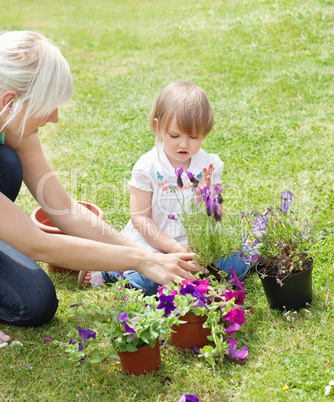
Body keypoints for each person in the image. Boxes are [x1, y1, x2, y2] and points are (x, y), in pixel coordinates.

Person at [0, 32, 206, 345]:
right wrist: (140, 262)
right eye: (48, 106)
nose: (54, 118)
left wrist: (142, 252)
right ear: (10, 101)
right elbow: (37, 245)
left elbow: (64, 210)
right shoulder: (11, 112)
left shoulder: (11, 119)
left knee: (37, 302)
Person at [86, 82, 251, 293]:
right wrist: (173, 248)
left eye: (193, 137)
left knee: (236, 262)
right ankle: (114, 271)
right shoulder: (148, 166)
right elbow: (140, 218)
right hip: (153, 246)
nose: (184, 144)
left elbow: (215, 217)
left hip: (195, 245)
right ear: (157, 127)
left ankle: (194, 277)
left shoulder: (209, 165)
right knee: (151, 281)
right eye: (175, 136)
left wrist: (206, 197)